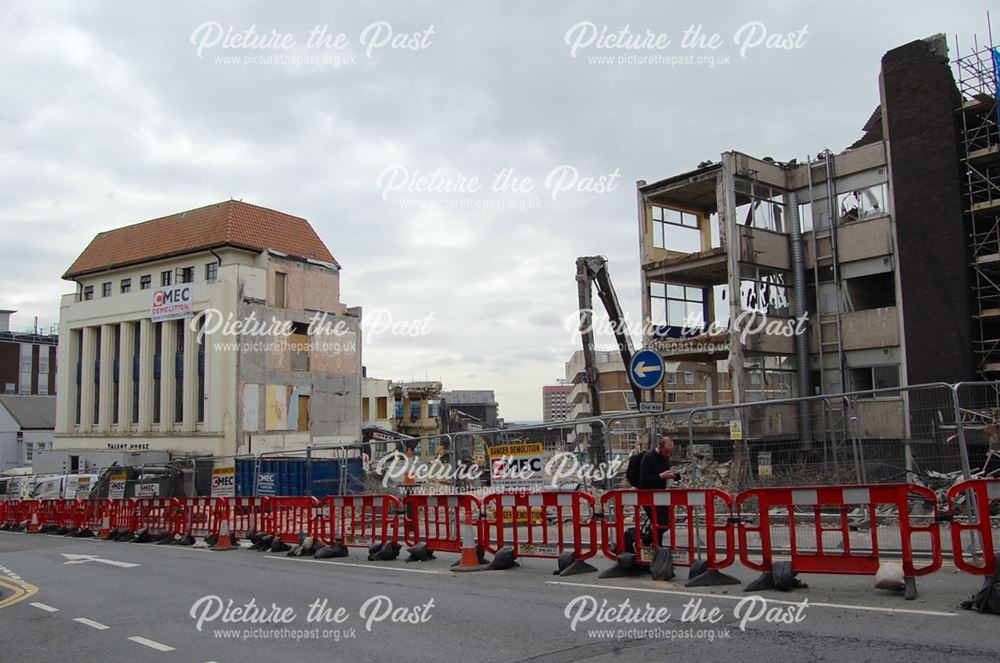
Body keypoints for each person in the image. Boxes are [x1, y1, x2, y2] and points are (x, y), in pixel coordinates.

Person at [639, 436, 676, 547]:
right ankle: (650, 541)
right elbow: (644, 479)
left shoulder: (664, 458)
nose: (668, 455)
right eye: (666, 452)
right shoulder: (648, 457)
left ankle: (654, 543)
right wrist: (661, 476)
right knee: (660, 522)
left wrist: (674, 476)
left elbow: (664, 474)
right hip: (647, 495)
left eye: (670, 452)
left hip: (660, 495)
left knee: (666, 522)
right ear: (659, 448)